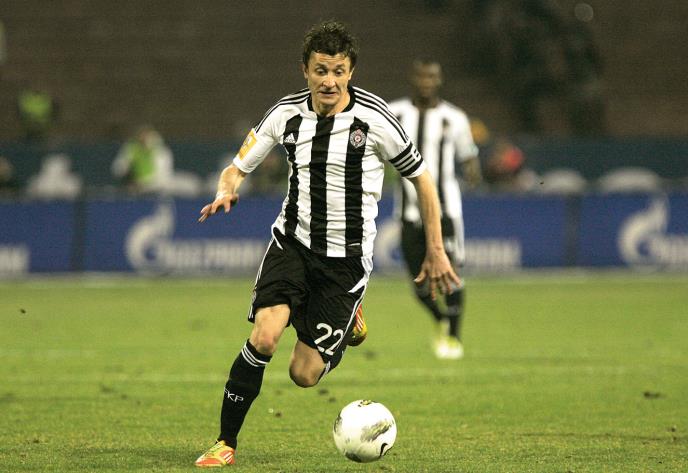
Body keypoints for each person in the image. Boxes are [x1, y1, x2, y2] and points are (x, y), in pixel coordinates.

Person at [194, 20, 460, 468]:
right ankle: (225, 442)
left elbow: (422, 179)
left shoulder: (376, 119)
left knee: (304, 374)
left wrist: (435, 248)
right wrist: (226, 189)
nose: (329, 81)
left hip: (345, 263)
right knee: (265, 336)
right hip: (292, 245)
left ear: (351, 71)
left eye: (338, 71)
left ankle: (347, 316)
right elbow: (237, 167)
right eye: (321, 70)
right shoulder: (285, 114)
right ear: (305, 70)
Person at [388, 59, 481, 360]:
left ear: (439, 80)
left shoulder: (455, 118)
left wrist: (473, 174)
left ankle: (453, 337)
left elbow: (469, 158)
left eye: (432, 77)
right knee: (418, 283)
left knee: (450, 275)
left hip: (447, 212)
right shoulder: (394, 113)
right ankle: (441, 319)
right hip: (408, 213)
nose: (426, 82)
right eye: (422, 76)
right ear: (413, 78)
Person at [111, 125, 174, 194]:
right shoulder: (131, 148)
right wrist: (127, 169)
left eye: (148, 136)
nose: (144, 138)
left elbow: (163, 176)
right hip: (139, 185)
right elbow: (118, 170)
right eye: (142, 136)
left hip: (157, 185)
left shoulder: (160, 150)